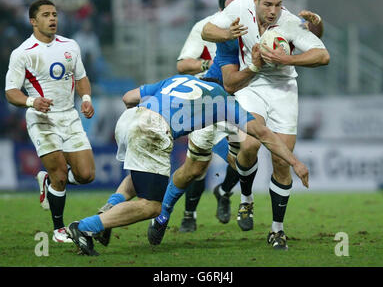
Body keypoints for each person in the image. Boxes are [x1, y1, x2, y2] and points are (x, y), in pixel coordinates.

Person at [66, 74, 309, 256]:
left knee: (139, 177)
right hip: (152, 130)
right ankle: (86, 227)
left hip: (130, 118)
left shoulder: (179, 79)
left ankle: (108, 210)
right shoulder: (223, 99)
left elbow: (128, 97)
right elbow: (264, 135)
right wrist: (295, 163)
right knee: (151, 206)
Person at [201, 0, 329, 249]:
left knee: (281, 162)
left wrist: (288, 60)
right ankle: (246, 199)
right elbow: (207, 30)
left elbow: (322, 55)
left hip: (284, 88)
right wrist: (226, 35)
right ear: (256, 1)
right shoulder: (238, 9)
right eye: (268, 4)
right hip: (252, 84)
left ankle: (277, 230)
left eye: (278, 5)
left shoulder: (290, 22)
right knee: (249, 144)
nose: (273, 11)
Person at [4, 0, 96, 243]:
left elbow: (82, 77)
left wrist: (85, 98)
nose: (52, 19)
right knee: (60, 175)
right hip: (41, 118)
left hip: (70, 116)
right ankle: (58, 230)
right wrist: (32, 102)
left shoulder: (71, 45)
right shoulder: (22, 53)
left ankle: (48, 181)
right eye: (46, 15)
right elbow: (11, 91)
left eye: (54, 14)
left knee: (86, 175)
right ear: (33, 21)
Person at [175, 0, 247, 233]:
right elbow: (183, 65)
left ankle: (224, 191)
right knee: (200, 161)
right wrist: (211, 66)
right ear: (221, 3)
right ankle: (188, 214)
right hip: (207, 100)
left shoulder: (252, 27)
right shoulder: (205, 27)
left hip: (240, 97)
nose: (237, 0)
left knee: (245, 156)